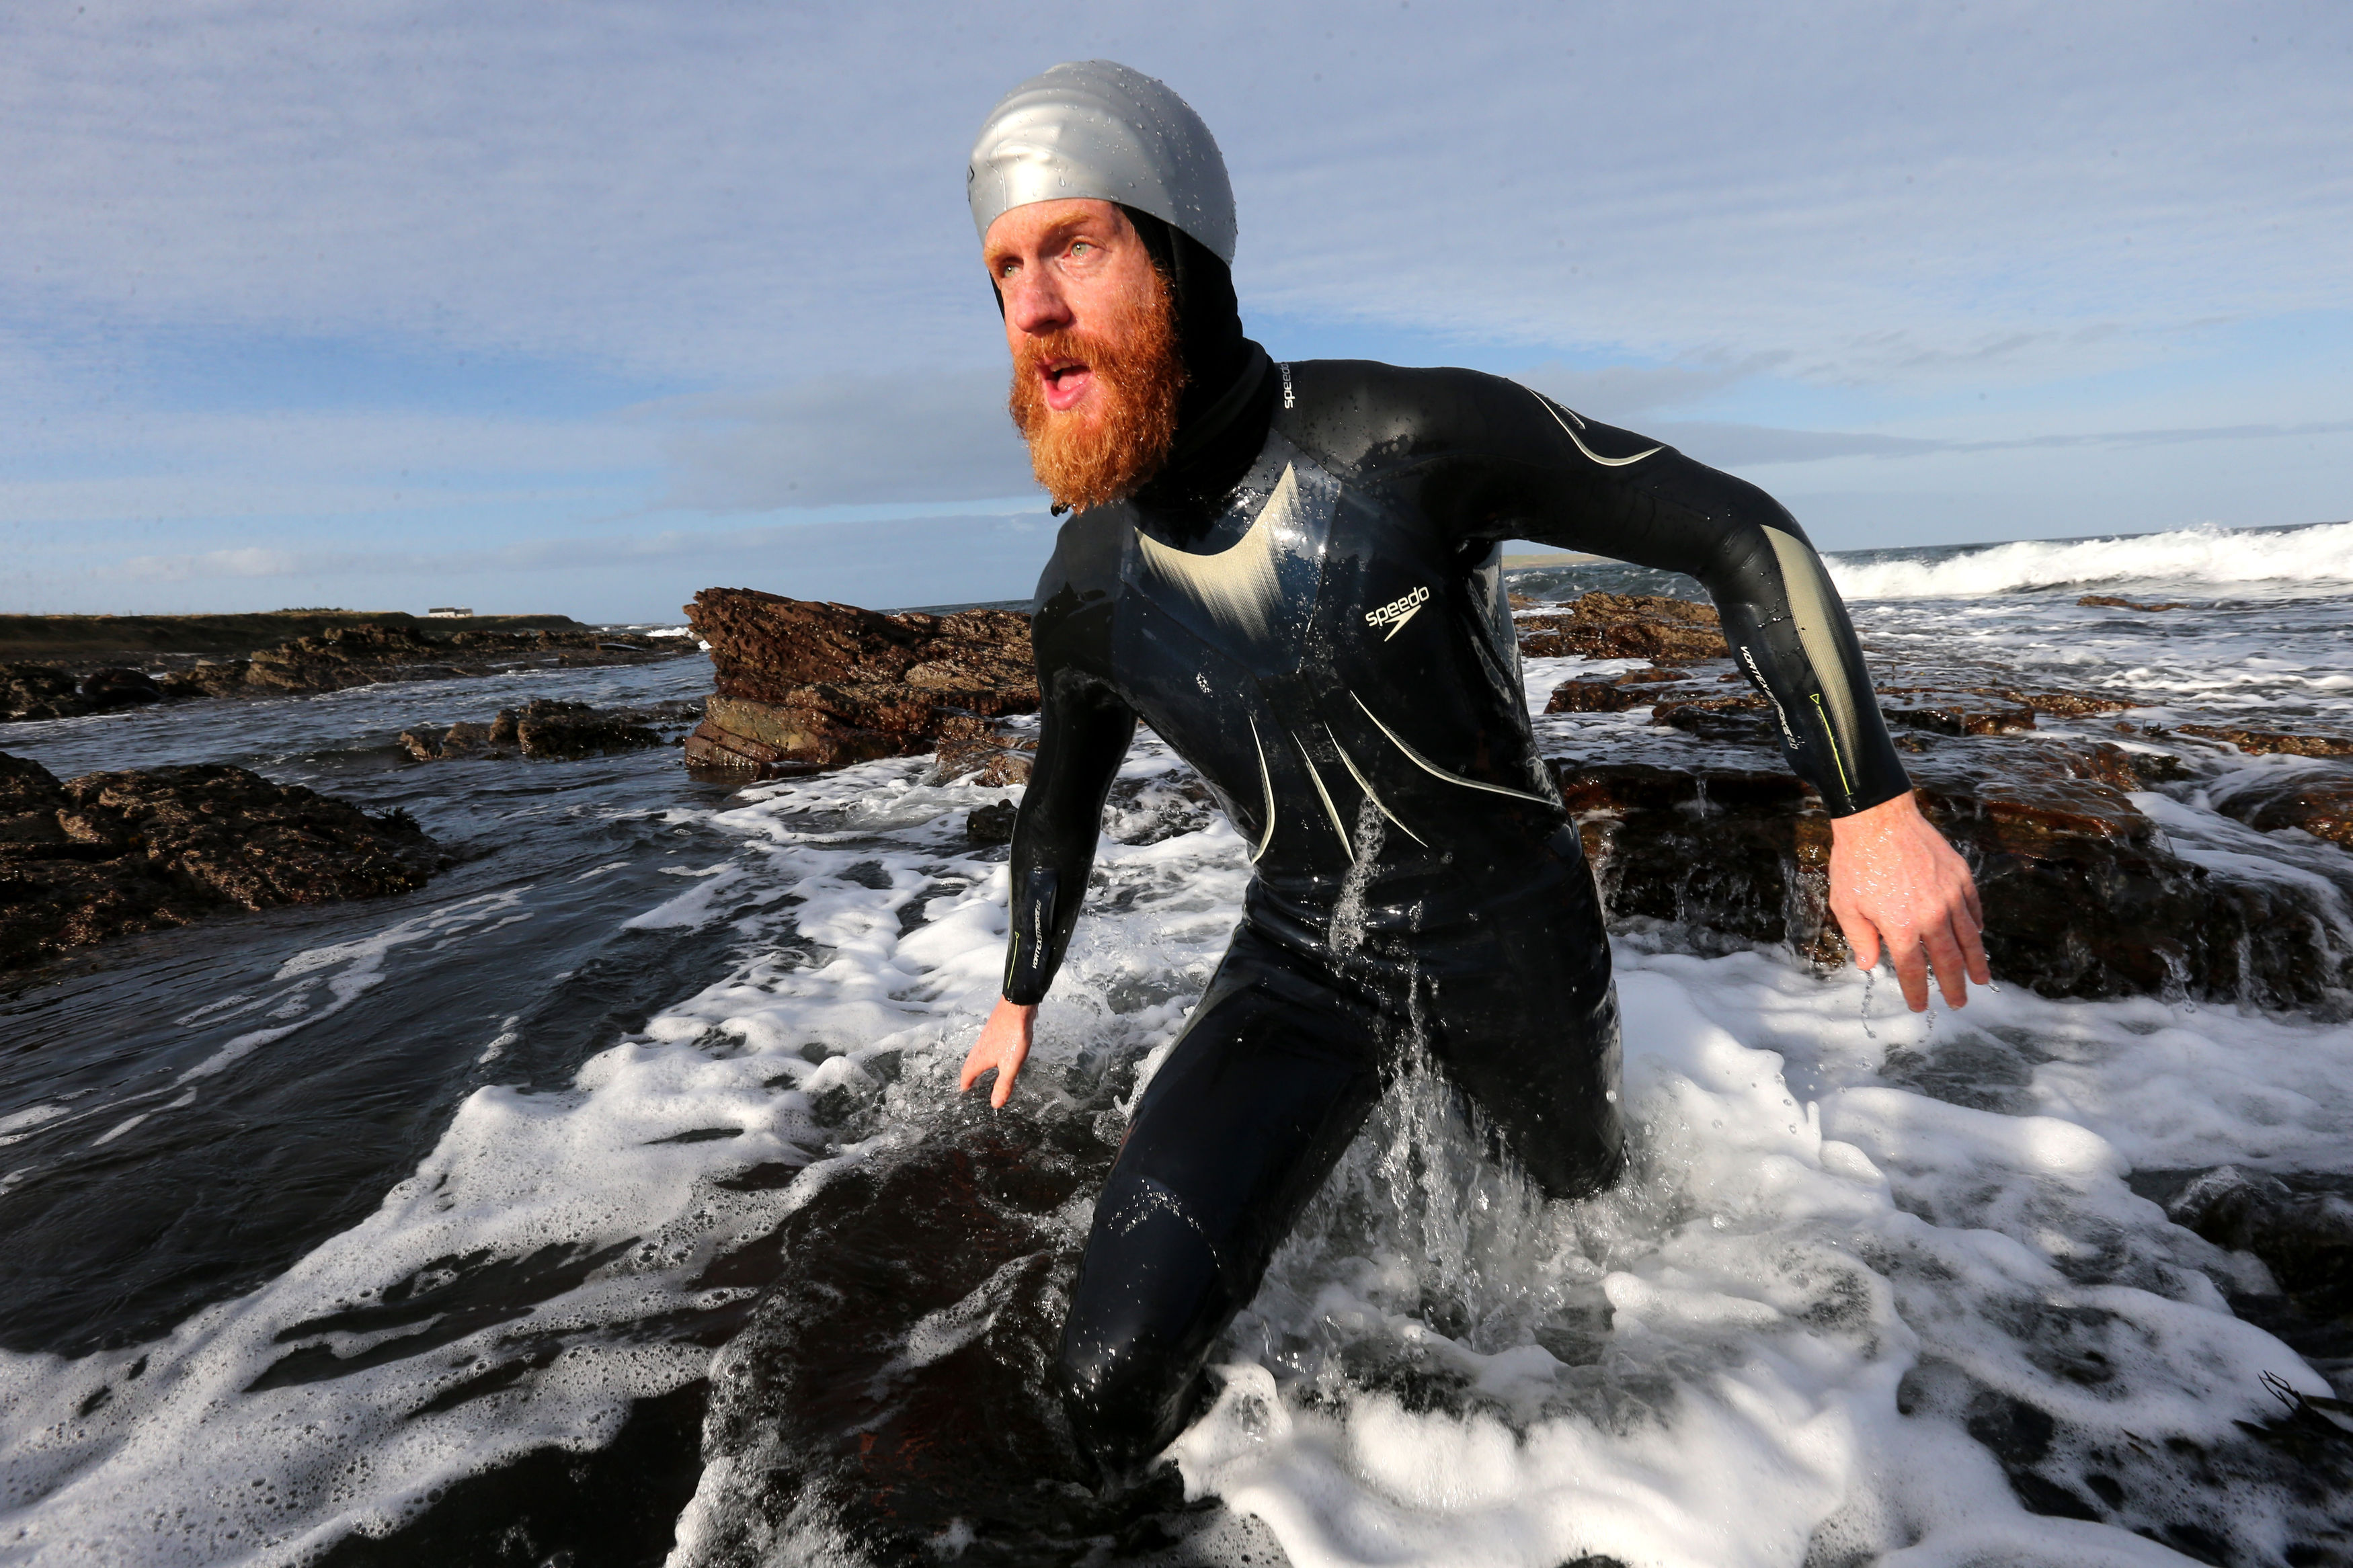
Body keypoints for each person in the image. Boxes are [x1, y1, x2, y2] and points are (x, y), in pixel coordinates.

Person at [953, 60, 1988, 1479]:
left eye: (1074, 244)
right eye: (1004, 266)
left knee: (1595, 1306)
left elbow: (1741, 532)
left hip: (1511, 952)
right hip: (1299, 967)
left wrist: (1872, 804)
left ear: (1182, 258)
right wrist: (1018, 1000)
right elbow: (1058, 805)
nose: (1032, 304)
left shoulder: (1397, 443)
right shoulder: (1081, 586)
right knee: (1104, 1387)